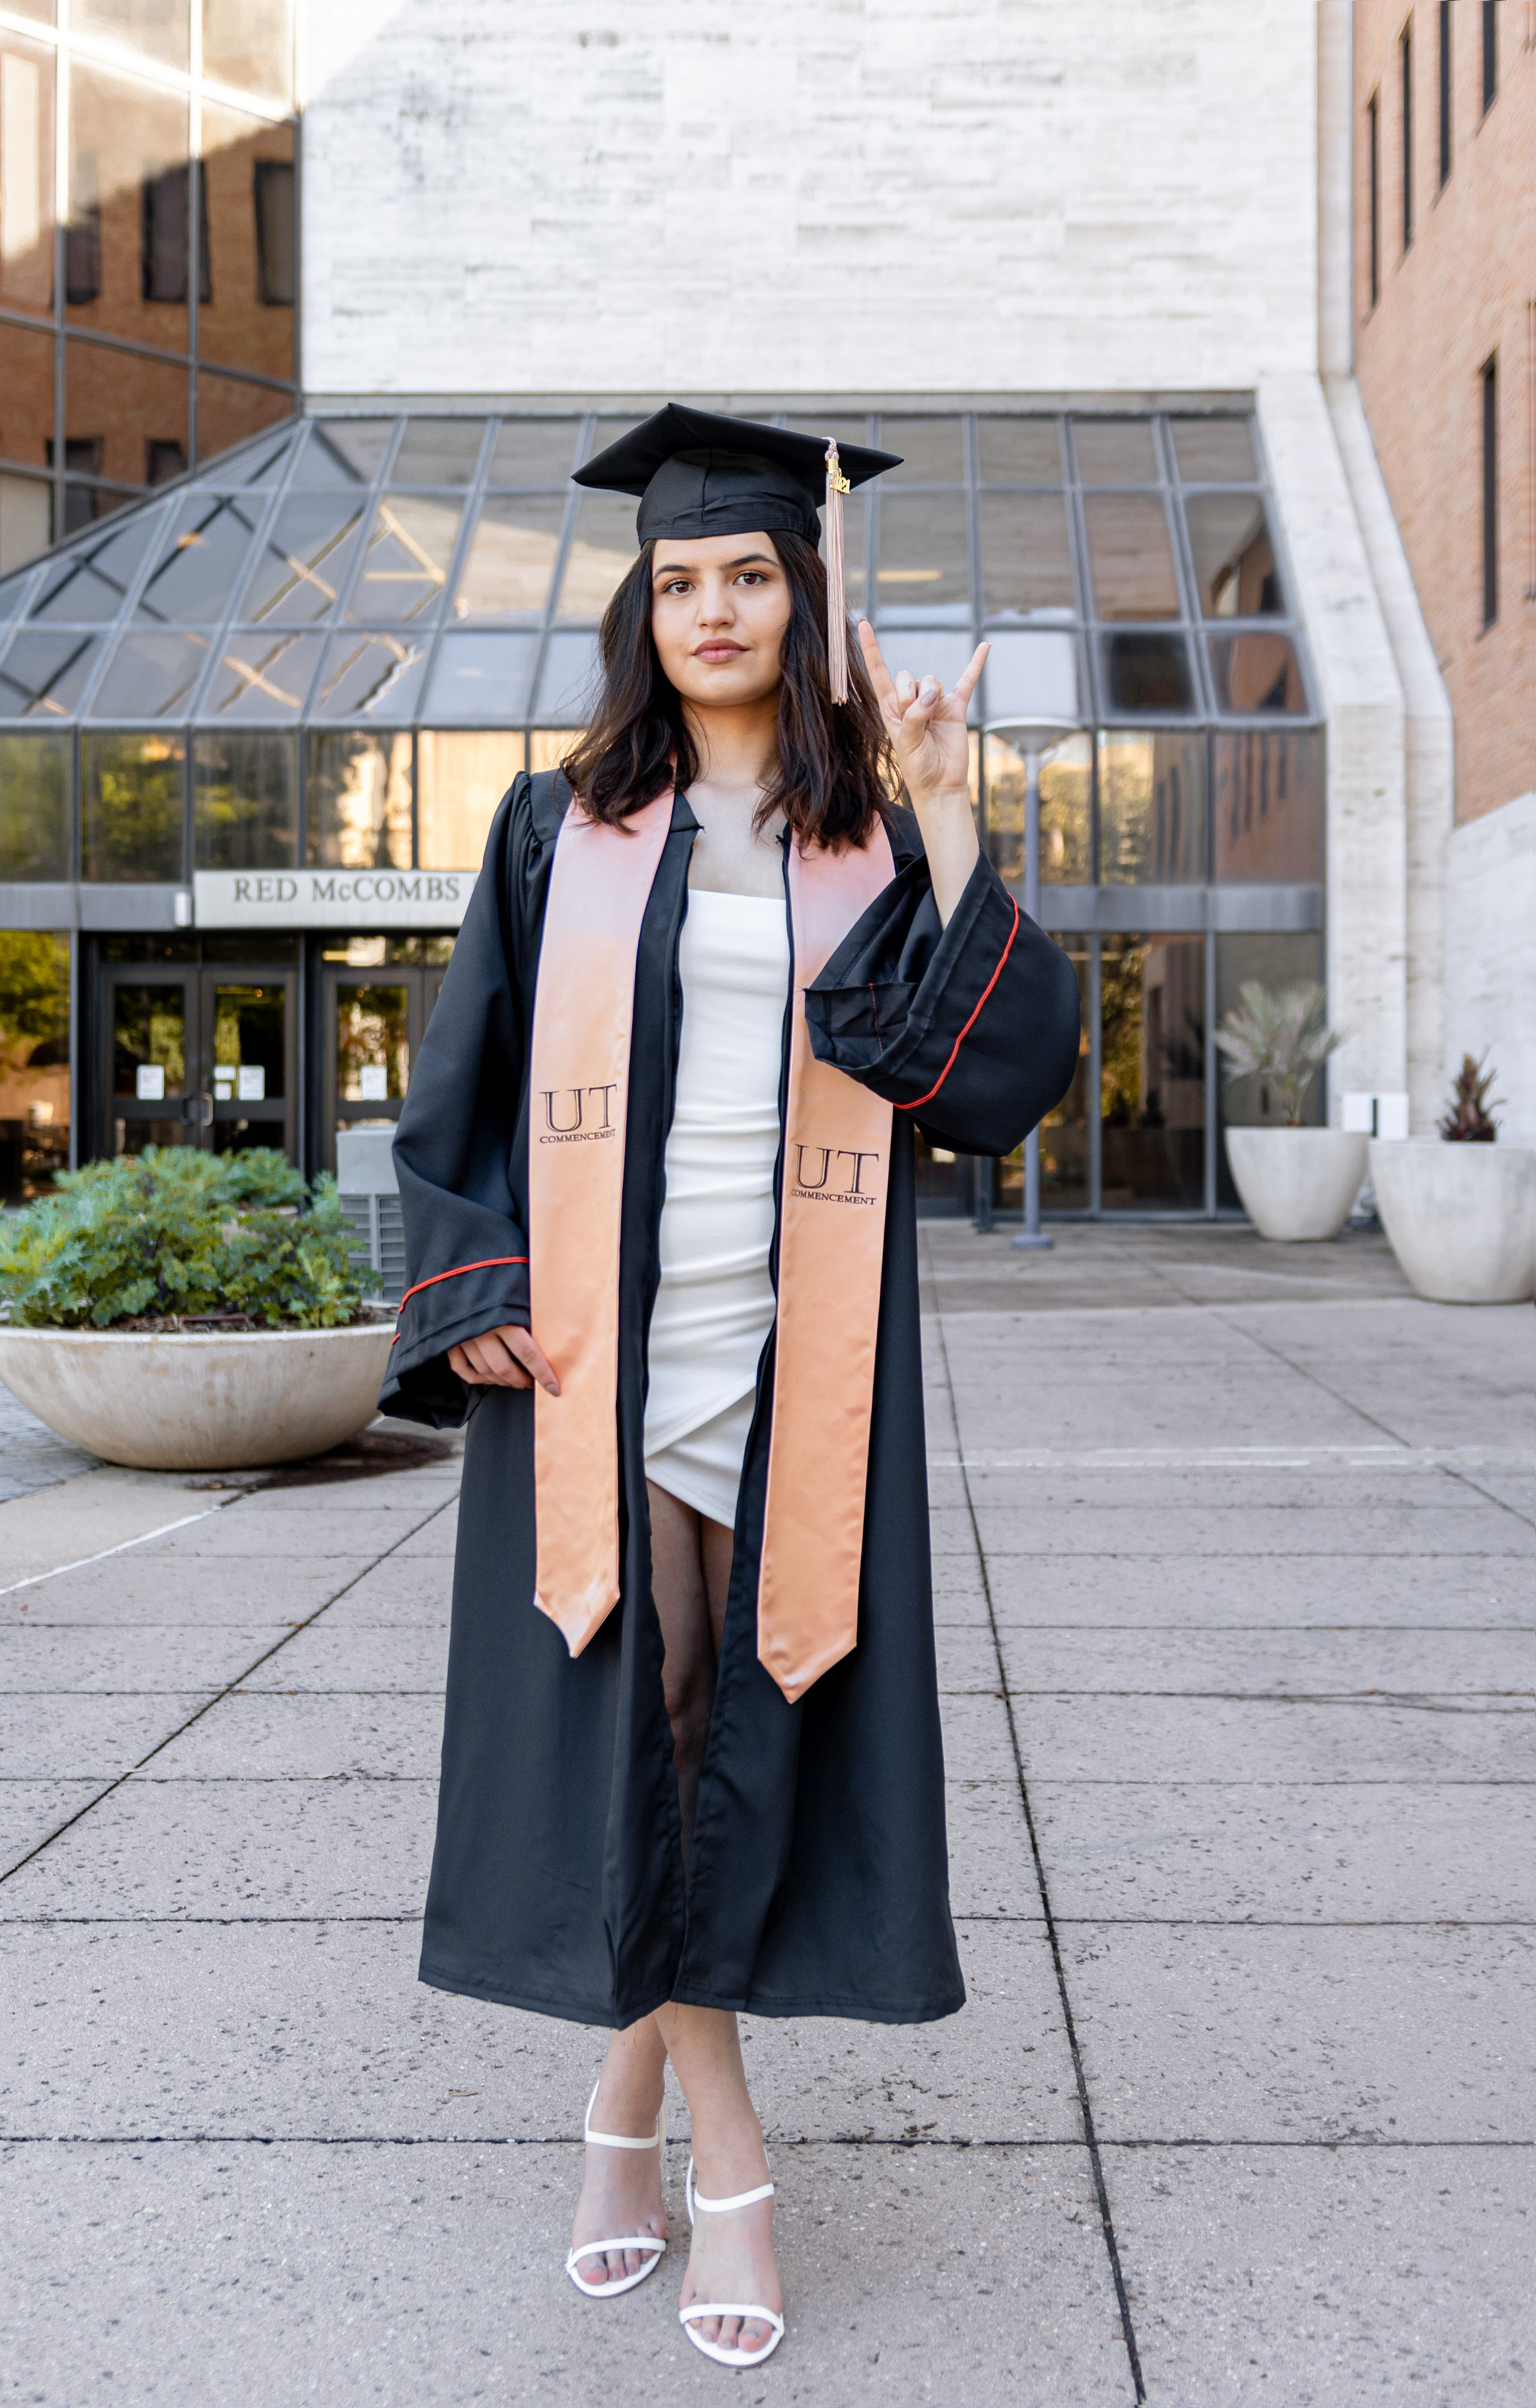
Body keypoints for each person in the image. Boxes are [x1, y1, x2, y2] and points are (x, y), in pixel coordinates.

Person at [384, 404, 1081, 2369]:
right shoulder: (559, 822)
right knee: (657, 1729)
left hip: (790, 1364)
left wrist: (950, 814)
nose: (714, 606)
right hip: (598, 1360)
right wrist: (475, 1286)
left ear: (805, 595)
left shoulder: (862, 839)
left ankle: (617, 2119)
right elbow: (459, 1088)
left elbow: (988, 1087)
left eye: (751, 574)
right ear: (645, 602)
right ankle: (730, 2153)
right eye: (681, 577)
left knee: (694, 1737)